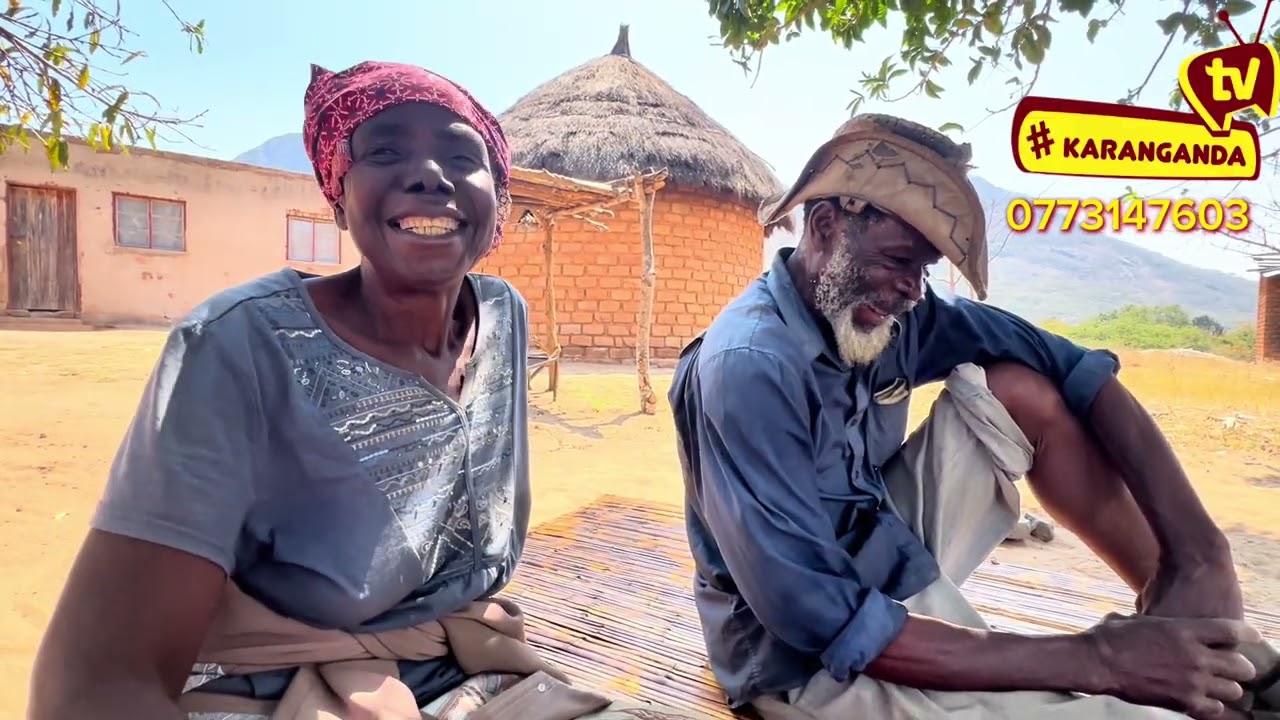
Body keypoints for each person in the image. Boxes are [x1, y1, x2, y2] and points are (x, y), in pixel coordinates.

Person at [28, 61, 688, 720]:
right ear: (337, 196)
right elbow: (93, 687)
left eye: (462, 154)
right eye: (385, 150)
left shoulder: (503, 317)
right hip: (277, 688)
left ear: (500, 211)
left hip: (471, 671)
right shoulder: (240, 342)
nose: (430, 173)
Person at [668, 114, 1279, 720]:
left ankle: (1193, 625)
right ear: (825, 227)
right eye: (896, 260)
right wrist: (1102, 660)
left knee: (1021, 387)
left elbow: (1070, 365)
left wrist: (1199, 549)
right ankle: (1179, 669)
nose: (911, 289)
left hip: (881, 553)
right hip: (800, 656)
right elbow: (821, 617)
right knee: (1131, 717)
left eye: (923, 269)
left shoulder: (890, 311)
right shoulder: (750, 365)